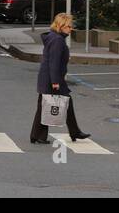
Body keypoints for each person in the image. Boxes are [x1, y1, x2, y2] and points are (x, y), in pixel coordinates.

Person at [30, 12, 90, 145]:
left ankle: (38, 135)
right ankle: (73, 132)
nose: (71, 29)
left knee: (46, 105)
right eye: (69, 26)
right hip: (52, 79)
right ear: (61, 26)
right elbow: (54, 62)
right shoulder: (57, 40)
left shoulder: (53, 37)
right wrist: (56, 82)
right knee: (59, 103)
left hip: (48, 77)